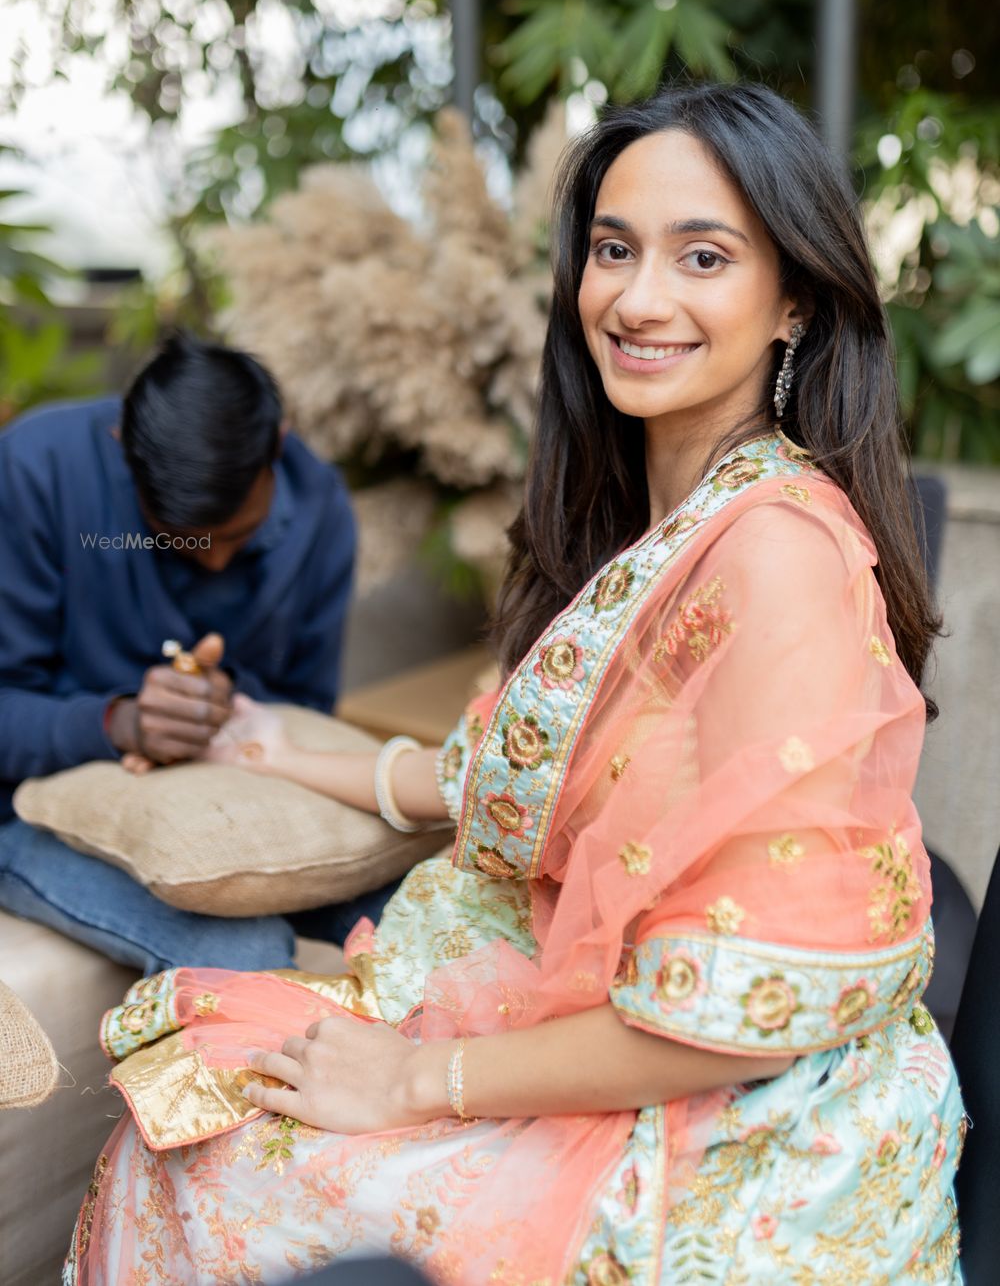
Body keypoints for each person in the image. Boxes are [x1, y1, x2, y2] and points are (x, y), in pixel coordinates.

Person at [67, 84, 964, 1285]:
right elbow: (503, 777)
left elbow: (751, 1006)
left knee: (208, 1153)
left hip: (737, 1115)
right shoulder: (663, 520)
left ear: (793, 296)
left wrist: (414, 1080)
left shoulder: (773, 554)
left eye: (703, 256)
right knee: (193, 1086)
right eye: (613, 249)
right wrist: (271, 754)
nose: (638, 300)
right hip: (602, 1014)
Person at [0, 332, 371, 973]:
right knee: (241, 956)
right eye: (178, 538)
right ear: (124, 451)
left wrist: (223, 706)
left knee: (426, 904)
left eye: (236, 535)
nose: (213, 559)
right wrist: (120, 724)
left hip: (226, 794)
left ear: (275, 449)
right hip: (31, 808)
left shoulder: (319, 510)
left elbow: (305, 707)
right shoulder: (37, 470)